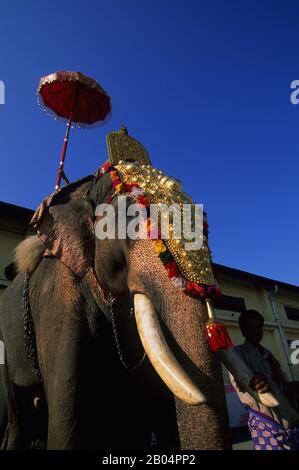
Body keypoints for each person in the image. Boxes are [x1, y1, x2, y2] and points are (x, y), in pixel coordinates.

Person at [230, 309, 299, 450]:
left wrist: (292, 387)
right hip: (267, 424)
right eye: (251, 328)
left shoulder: (269, 355)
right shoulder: (237, 353)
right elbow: (241, 383)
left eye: (258, 328)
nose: (256, 332)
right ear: (243, 331)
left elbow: (282, 384)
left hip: (290, 422)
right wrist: (252, 382)